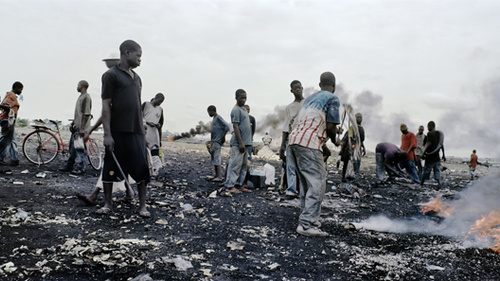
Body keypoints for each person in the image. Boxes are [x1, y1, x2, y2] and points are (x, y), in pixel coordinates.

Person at [98, 40, 151, 217]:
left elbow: (137, 106)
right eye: (138, 55)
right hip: (117, 131)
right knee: (110, 167)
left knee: (142, 167)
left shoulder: (137, 78)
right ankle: (107, 204)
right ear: (127, 53)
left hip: (136, 131)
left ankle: (142, 206)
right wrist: (107, 134)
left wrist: (143, 132)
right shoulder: (110, 76)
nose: (140, 59)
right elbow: (106, 106)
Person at [288, 72, 340, 237]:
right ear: (334, 85)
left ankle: (309, 217)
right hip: (309, 142)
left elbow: (312, 122)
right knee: (318, 183)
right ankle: (307, 224)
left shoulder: (309, 99)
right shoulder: (332, 99)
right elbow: (331, 127)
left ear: (319, 84)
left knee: (306, 183)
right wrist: (336, 140)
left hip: (295, 140)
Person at [59, 80, 92, 175]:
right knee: (72, 148)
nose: (77, 87)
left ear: (82, 86)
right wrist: (73, 123)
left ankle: (81, 168)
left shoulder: (86, 97)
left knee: (80, 149)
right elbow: (79, 114)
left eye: (78, 85)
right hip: (76, 127)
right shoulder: (80, 97)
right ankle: (69, 166)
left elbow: (86, 114)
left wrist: (82, 129)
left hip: (81, 128)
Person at [279, 80, 304, 199]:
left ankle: (303, 191)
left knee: (303, 166)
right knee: (290, 166)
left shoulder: (308, 104)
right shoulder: (289, 107)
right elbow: (286, 126)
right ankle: (291, 190)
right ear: (292, 91)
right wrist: (282, 145)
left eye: (299, 87)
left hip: (304, 139)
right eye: (295, 88)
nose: (298, 90)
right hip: (291, 138)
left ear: (302, 88)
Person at [224, 89, 252, 193]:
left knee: (243, 166)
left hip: (246, 143)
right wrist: (240, 142)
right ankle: (230, 185)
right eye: (241, 98)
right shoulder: (235, 110)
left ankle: (239, 184)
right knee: (235, 164)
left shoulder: (244, 109)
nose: (243, 100)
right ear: (236, 98)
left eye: (245, 98)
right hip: (238, 143)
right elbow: (235, 126)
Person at [0, 81, 23, 166]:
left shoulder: (11, 95)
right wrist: (9, 109)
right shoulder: (11, 95)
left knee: (12, 140)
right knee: (5, 141)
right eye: (20, 89)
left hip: (8, 121)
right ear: (16, 87)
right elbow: (5, 105)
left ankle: (14, 159)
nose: (21, 91)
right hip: (7, 121)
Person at [142, 93, 165, 176]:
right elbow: (138, 117)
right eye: (159, 101)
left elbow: (161, 123)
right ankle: (143, 170)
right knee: (144, 152)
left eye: (161, 102)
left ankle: (153, 172)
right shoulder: (146, 105)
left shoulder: (160, 109)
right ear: (155, 98)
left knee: (154, 152)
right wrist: (147, 122)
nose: (159, 104)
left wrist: (158, 125)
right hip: (145, 132)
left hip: (154, 134)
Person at [207, 105, 230, 182]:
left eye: (208, 112)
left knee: (217, 158)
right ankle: (216, 175)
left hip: (217, 141)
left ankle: (219, 176)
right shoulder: (214, 118)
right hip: (214, 141)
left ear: (211, 111)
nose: (208, 114)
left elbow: (227, 126)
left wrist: (223, 136)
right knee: (214, 158)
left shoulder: (218, 117)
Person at [420, 121, 446, 189]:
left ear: (431, 126)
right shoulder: (438, 134)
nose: (428, 128)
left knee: (426, 171)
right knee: (437, 171)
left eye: (428, 126)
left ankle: (421, 184)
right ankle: (439, 184)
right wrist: (443, 155)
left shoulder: (430, 133)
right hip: (437, 157)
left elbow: (429, 143)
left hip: (430, 157)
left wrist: (423, 153)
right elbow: (441, 144)